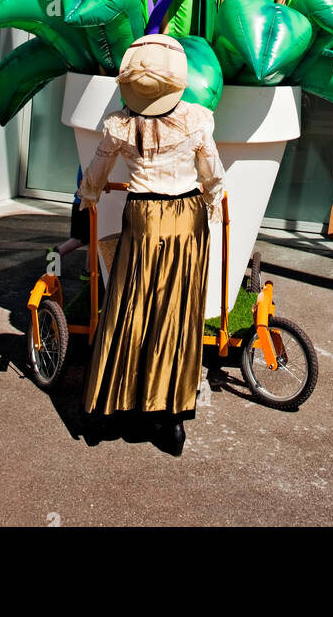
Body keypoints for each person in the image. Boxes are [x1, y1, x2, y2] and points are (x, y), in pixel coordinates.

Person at [78, 34, 226, 457]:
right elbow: (212, 175)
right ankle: (170, 419)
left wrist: (89, 197)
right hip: (187, 219)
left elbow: (94, 176)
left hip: (143, 217)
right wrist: (214, 204)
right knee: (177, 313)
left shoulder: (119, 125)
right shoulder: (198, 119)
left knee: (130, 305)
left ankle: (114, 406)